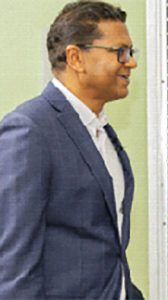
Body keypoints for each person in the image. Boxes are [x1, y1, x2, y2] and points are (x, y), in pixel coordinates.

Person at [0, 1, 143, 299]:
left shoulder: (102, 133)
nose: (130, 63)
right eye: (120, 52)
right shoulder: (30, 130)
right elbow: (14, 265)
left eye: (131, 52)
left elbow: (106, 248)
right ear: (76, 57)